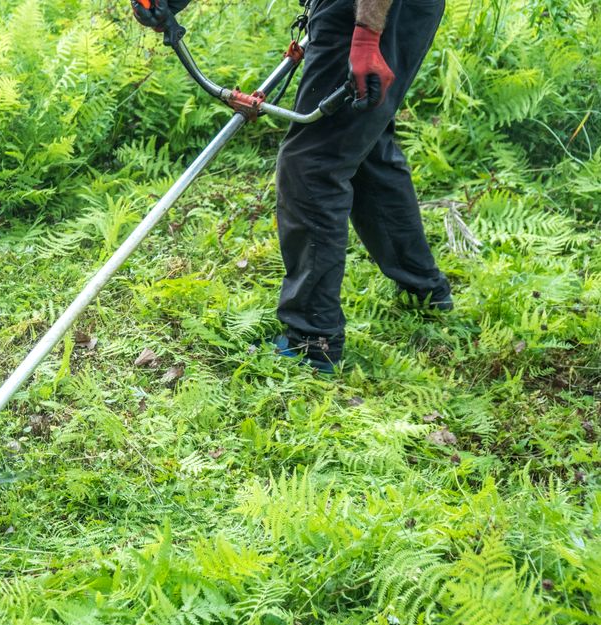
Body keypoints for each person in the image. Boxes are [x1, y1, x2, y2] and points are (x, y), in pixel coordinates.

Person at [132, 0, 453, 373]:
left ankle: (312, 342)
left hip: (373, 12)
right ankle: (424, 291)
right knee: (361, 147)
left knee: (313, 165)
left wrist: (367, 37)